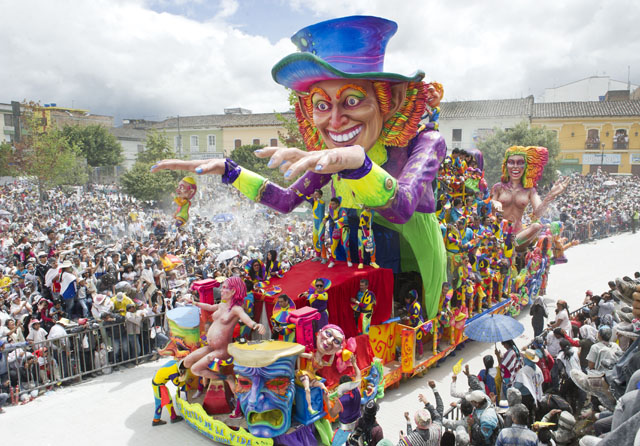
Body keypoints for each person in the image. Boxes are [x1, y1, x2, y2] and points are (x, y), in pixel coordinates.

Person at [151, 16, 449, 321]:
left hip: (413, 253)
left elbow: (402, 207)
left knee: (418, 306)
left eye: (352, 100)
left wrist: (359, 164)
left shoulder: (426, 142)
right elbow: (284, 200)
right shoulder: (334, 160)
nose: (335, 121)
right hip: (352, 255)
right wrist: (230, 171)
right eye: (322, 105)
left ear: (392, 100)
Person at [183, 277, 265, 381]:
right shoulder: (221, 305)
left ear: (233, 291)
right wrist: (194, 303)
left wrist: (256, 325)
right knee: (187, 361)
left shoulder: (236, 309)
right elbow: (209, 307)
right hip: (211, 347)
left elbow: (247, 320)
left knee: (195, 369)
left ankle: (226, 378)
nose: (221, 290)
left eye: (224, 288)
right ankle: (208, 372)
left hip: (222, 350)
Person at [491, 146, 569, 247]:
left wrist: (551, 195)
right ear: (506, 165)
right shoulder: (498, 187)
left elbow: (538, 213)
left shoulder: (530, 190)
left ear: (526, 166)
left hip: (518, 237)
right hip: (498, 232)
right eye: (511, 162)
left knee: (536, 226)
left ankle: (510, 244)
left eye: (520, 163)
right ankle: (506, 244)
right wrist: (494, 203)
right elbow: (487, 207)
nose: (515, 166)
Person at [151, 359, 186, 426]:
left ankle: (156, 420)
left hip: (155, 380)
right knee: (168, 401)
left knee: (159, 402)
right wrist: (185, 381)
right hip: (159, 385)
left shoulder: (175, 362)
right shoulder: (174, 373)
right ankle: (173, 417)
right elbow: (177, 384)